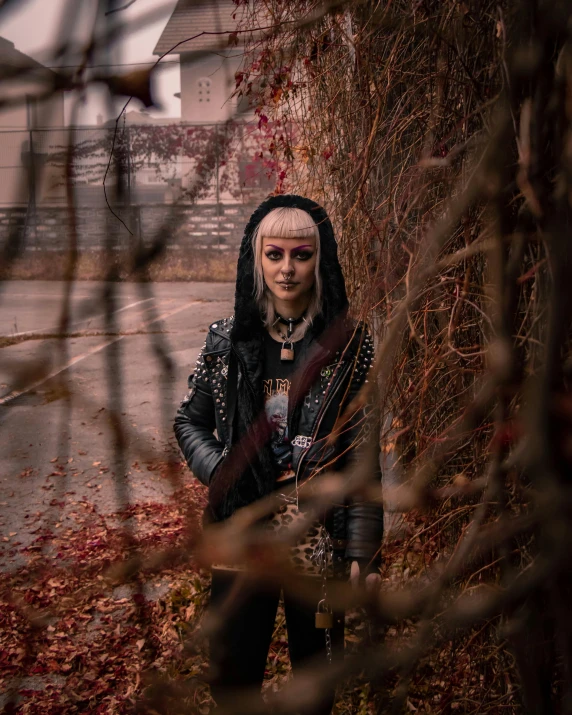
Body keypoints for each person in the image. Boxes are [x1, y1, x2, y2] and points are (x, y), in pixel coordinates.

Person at [174, 195, 383, 714]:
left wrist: (362, 551)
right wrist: (223, 469)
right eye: (274, 255)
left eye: (300, 255)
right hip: (240, 536)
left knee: (317, 683)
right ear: (256, 259)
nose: (287, 269)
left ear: (320, 260)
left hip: (317, 538)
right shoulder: (226, 341)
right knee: (233, 677)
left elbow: (362, 455)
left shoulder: (351, 347)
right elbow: (188, 422)